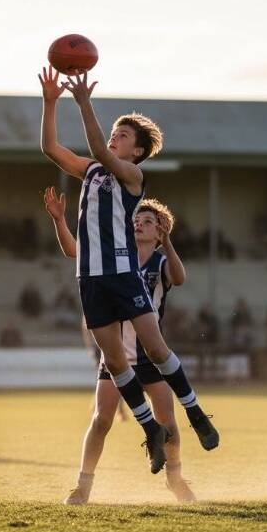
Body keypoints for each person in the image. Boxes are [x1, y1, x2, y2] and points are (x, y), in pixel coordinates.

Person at [39, 66, 218, 475]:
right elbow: (51, 148)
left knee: (155, 350)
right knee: (116, 363)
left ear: (136, 151)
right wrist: (50, 103)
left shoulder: (132, 176)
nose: (115, 138)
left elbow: (101, 150)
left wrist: (84, 103)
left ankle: (196, 413)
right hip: (90, 279)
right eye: (115, 131)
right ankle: (150, 429)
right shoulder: (91, 170)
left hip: (122, 274)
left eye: (123, 135)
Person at [45, 187, 195, 504]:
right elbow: (75, 251)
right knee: (101, 421)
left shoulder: (160, 261)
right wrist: (60, 221)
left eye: (148, 221)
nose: (139, 224)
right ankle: (82, 487)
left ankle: (176, 479)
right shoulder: (115, 256)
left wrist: (168, 244)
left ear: (160, 230)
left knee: (168, 423)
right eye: (136, 219)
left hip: (151, 359)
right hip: (116, 359)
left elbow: (179, 278)